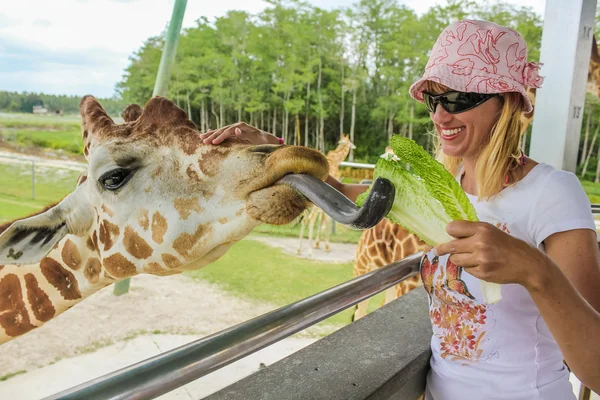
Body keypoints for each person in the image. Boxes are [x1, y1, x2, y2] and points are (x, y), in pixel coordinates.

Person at [199, 19, 600, 398]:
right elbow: (340, 192)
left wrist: (535, 270)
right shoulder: (441, 190)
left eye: (459, 98)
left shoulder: (553, 193)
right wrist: (276, 150)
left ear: (508, 102)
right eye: (433, 98)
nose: (442, 115)